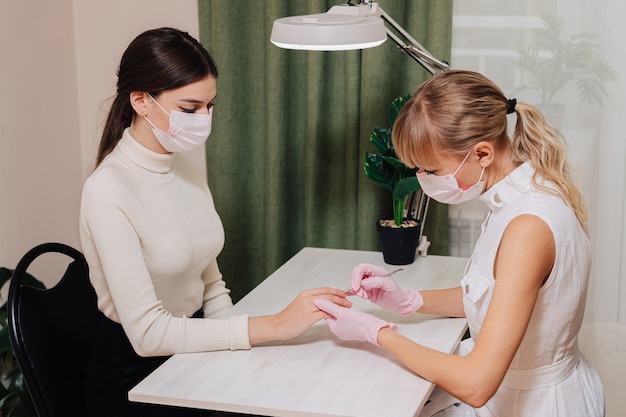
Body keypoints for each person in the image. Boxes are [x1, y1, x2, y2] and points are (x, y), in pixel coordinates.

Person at [79, 27, 350, 417]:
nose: (204, 119)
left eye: (210, 106)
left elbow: (209, 282)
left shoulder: (185, 169)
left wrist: (236, 353)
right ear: (140, 101)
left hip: (191, 353)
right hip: (135, 378)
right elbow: (148, 335)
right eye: (189, 109)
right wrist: (271, 326)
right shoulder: (107, 190)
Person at [314, 70, 605, 417]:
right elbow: (495, 298)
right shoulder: (523, 194)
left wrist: (376, 333)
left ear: (482, 154)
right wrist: (408, 300)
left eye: (432, 171)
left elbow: (476, 385)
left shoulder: (527, 227)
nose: (424, 182)